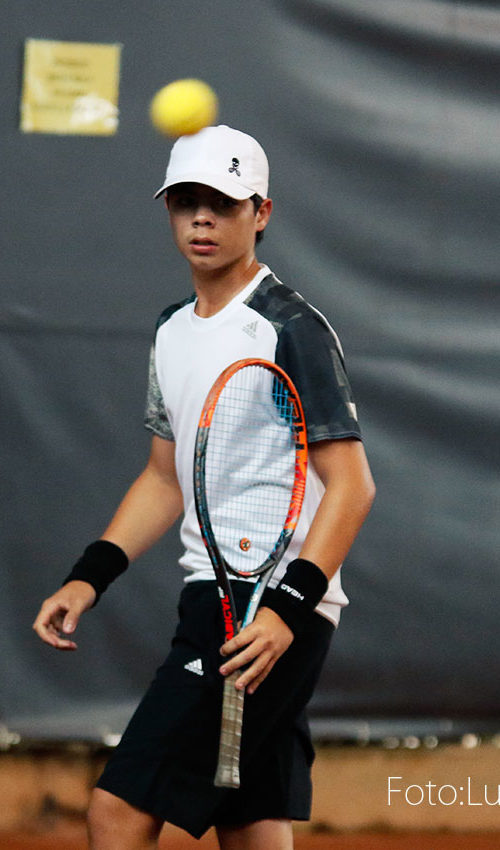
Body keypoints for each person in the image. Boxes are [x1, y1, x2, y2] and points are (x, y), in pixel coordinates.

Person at [33, 125, 375, 850]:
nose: (202, 219)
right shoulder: (171, 331)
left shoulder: (290, 328)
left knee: (115, 813)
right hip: (215, 598)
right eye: (186, 202)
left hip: (264, 610)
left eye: (222, 203)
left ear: (261, 212)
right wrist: (89, 577)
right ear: (168, 210)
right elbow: (164, 479)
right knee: (250, 823)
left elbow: (352, 487)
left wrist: (285, 610)